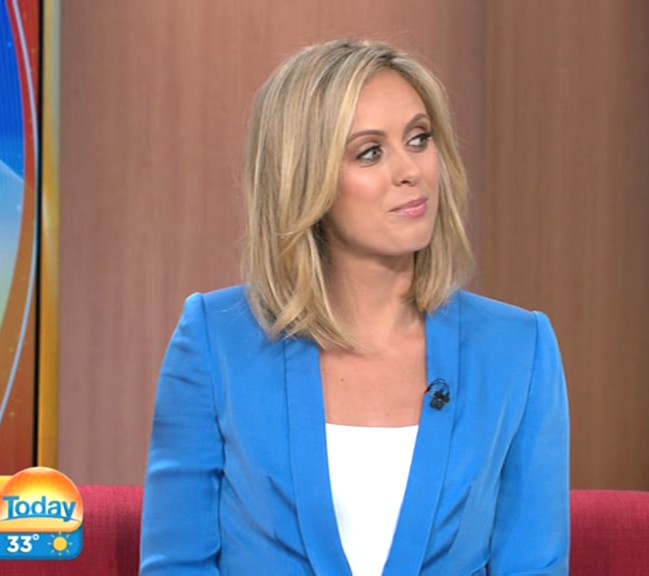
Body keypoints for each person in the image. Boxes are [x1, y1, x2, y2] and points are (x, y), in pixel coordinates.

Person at [140, 39, 570, 575]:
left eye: (419, 139)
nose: (410, 171)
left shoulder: (518, 349)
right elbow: (178, 564)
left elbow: (532, 564)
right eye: (370, 152)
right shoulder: (215, 339)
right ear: (305, 177)